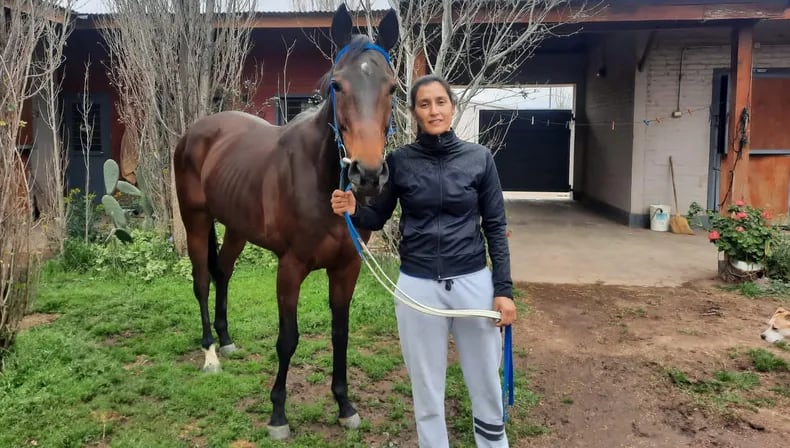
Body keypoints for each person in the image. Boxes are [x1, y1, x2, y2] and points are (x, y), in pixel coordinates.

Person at [330, 74, 516, 448]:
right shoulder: (399, 162)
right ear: (414, 113)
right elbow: (378, 218)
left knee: (485, 381)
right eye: (424, 104)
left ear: (452, 106)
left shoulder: (480, 160)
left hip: (472, 284)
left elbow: (495, 226)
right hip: (417, 288)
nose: (434, 110)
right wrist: (354, 209)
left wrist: (504, 290)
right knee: (427, 386)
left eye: (440, 102)